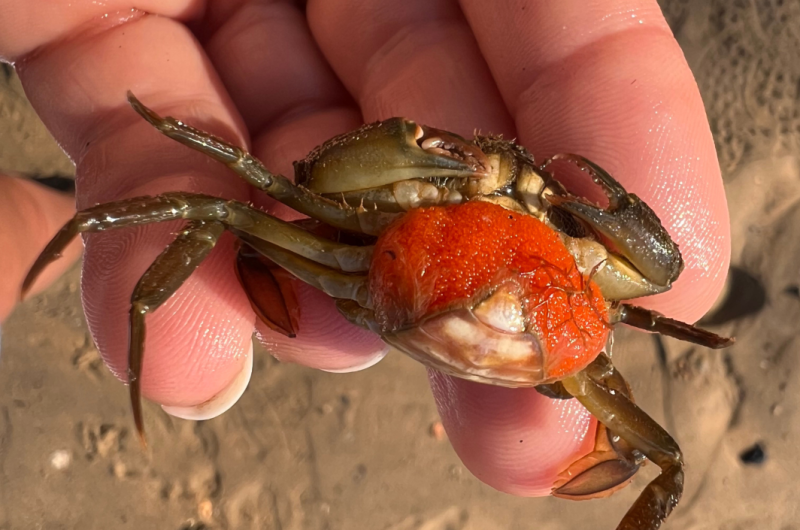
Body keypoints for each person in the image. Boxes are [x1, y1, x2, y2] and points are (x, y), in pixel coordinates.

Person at [0, 0, 729, 496]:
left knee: (655, 453)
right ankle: (67, 220)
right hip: (363, 266)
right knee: (207, 208)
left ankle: (54, 212)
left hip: (526, 333)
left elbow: (655, 285)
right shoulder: (412, 200)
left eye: (529, 199)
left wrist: (564, 222)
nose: (508, 202)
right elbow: (293, 185)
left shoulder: (576, 281)